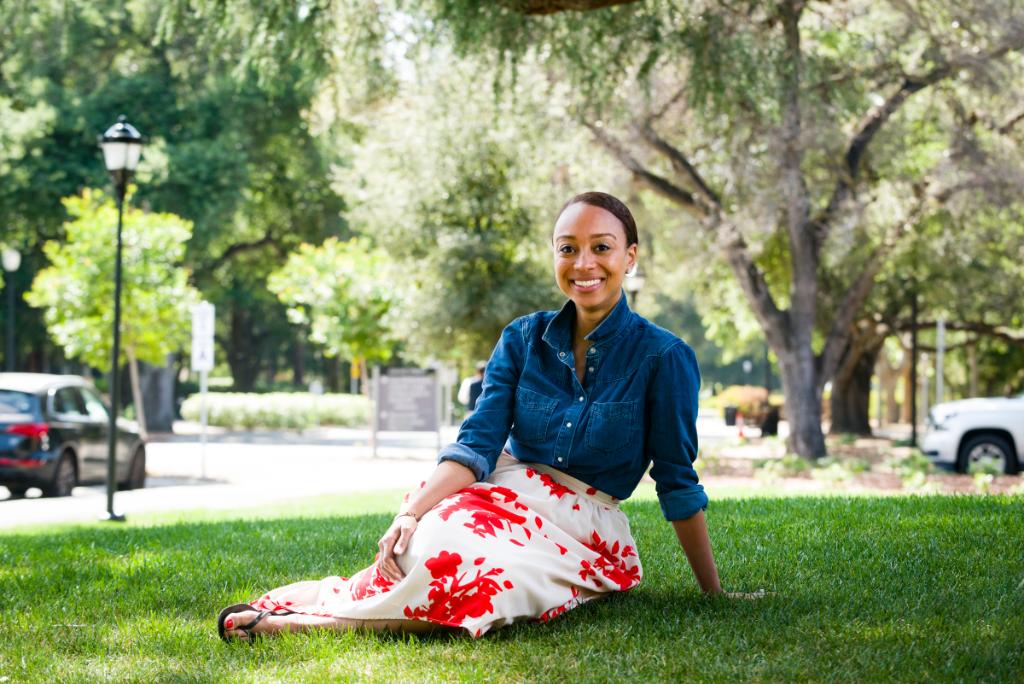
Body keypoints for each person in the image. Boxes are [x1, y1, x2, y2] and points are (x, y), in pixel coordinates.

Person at [218, 191, 722, 642]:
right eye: (567, 248)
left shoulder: (664, 357)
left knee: (488, 582)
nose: (583, 263)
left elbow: (677, 480)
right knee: (431, 546)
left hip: (583, 527)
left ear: (630, 256)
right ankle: (329, 601)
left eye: (601, 247)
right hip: (500, 496)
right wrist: (410, 512)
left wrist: (713, 594)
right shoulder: (522, 338)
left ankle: (305, 624)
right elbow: (478, 444)